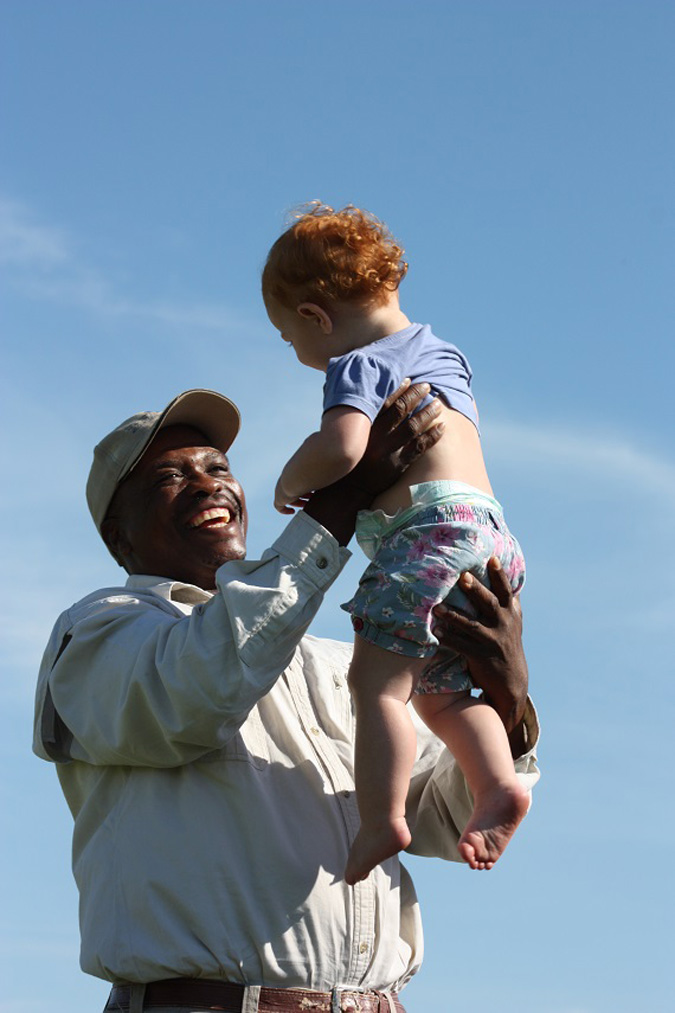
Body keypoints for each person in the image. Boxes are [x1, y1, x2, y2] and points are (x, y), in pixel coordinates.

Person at [34, 386, 539, 1013]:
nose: (206, 484)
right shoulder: (100, 634)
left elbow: (443, 817)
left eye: (217, 468)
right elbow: (193, 693)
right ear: (120, 537)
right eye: (170, 476)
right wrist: (341, 501)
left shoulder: (335, 663)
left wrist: (506, 698)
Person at [263, 203, 530, 884]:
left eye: (289, 336)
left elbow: (344, 447)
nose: (296, 353)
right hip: (490, 536)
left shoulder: (356, 362)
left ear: (316, 316)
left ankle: (382, 818)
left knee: (375, 684)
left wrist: (293, 474)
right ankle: (497, 780)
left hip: (425, 534)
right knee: (437, 692)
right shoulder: (443, 351)